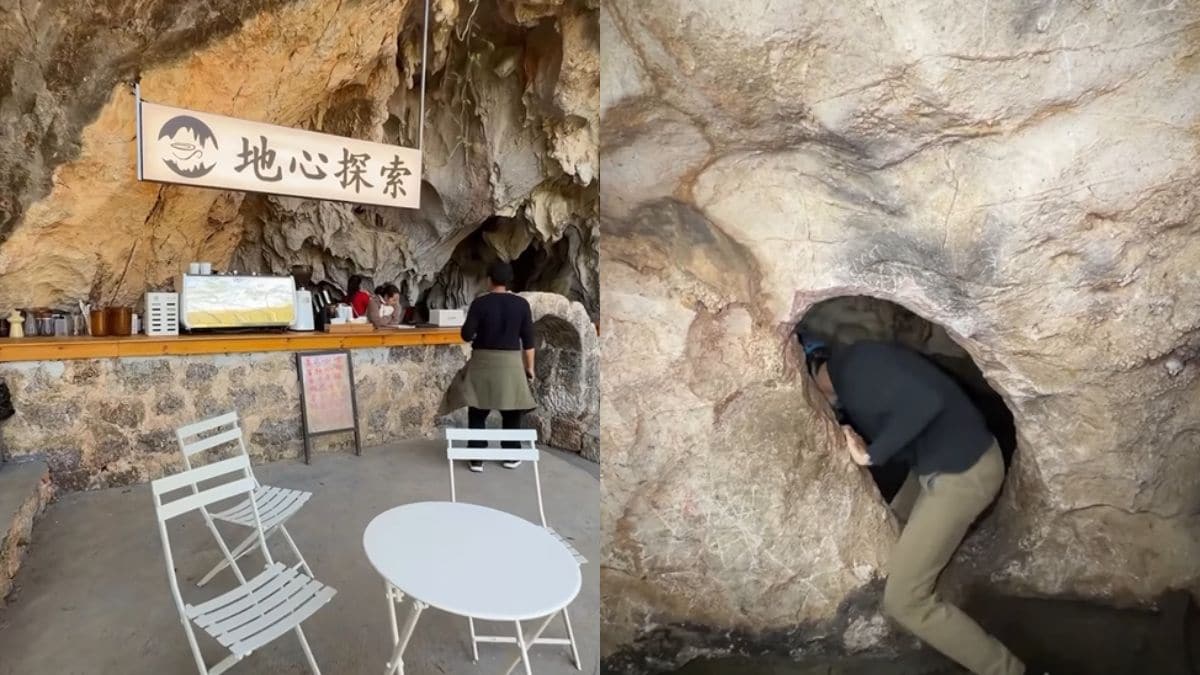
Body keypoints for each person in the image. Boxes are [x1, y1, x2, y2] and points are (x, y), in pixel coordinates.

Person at [800, 334, 1046, 675]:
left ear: (809, 375)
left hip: (964, 473)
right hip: (938, 466)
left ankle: (1008, 671)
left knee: (905, 601)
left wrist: (872, 453)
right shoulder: (854, 369)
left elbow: (924, 401)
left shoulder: (857, 369)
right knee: (891, 529)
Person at [446, 261, 536, 473]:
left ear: (489, 280)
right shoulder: (521, 305)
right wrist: (529, 368)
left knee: (478, 409)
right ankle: (511, 455)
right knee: (512, 410)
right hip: (511, 364)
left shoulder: (480, 303)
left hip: (483, 362)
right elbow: (529, 341)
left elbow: (466, 334)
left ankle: (477, 457)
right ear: (508, 281)